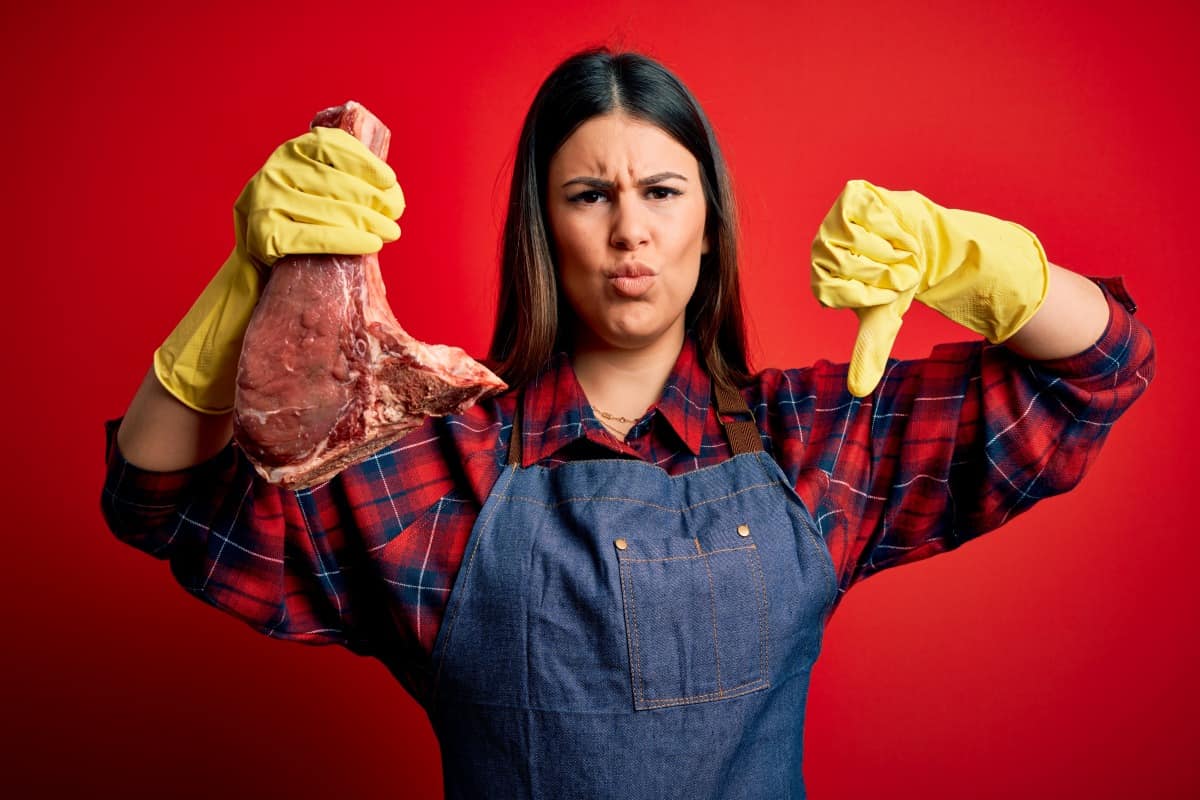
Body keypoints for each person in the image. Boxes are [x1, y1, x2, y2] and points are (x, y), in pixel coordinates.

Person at [101, 47, 1155, 799]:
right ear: (542, 227)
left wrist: (980, 263)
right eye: (587, 195)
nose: (631, 229)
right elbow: (164, 499)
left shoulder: (813, 443)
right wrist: (244, 290)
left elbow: (1099, 370)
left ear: (710, 224)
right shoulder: (439, 466)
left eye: (661, 188)